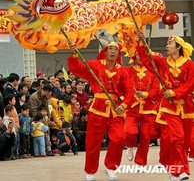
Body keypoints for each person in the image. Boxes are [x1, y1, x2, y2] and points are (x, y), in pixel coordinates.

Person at [68, 41, 133, 181]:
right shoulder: (95, 65)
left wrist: (124, 105)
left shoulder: (123, 70)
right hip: (98, 108)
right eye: (110, 48)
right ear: (105, 50)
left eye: (115, 49)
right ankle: (90, 171)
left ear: (118, 53)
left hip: (115, 109)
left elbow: (129, 93)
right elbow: (77, 69)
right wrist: (74, 54)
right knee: (93, 141)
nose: (112, 51)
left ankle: (111, 167)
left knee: (119, 137)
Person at [137, 33, 194, 180]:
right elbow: (146, 59)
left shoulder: (189, 65)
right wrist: (141, 43)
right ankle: (182, 171)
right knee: (177, 137)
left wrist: (174, 92)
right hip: (169, 108)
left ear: (178, 47)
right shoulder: (162, 62)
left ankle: (175, 171)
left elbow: (190, 85)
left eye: (170, 44)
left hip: (186, 108)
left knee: (184, 142)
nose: (166, 46)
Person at [125, 52, 160, 169]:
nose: (140, 57)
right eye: (138, 55)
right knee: (129, 132)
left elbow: (156, 90)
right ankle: (129, 145)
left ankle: (141, 162)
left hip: (148, 108)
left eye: (143, 55)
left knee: (146, 137)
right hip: (132, 108)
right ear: (134, 57)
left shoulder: (152, 73)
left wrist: (145, 94)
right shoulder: (127, 71)